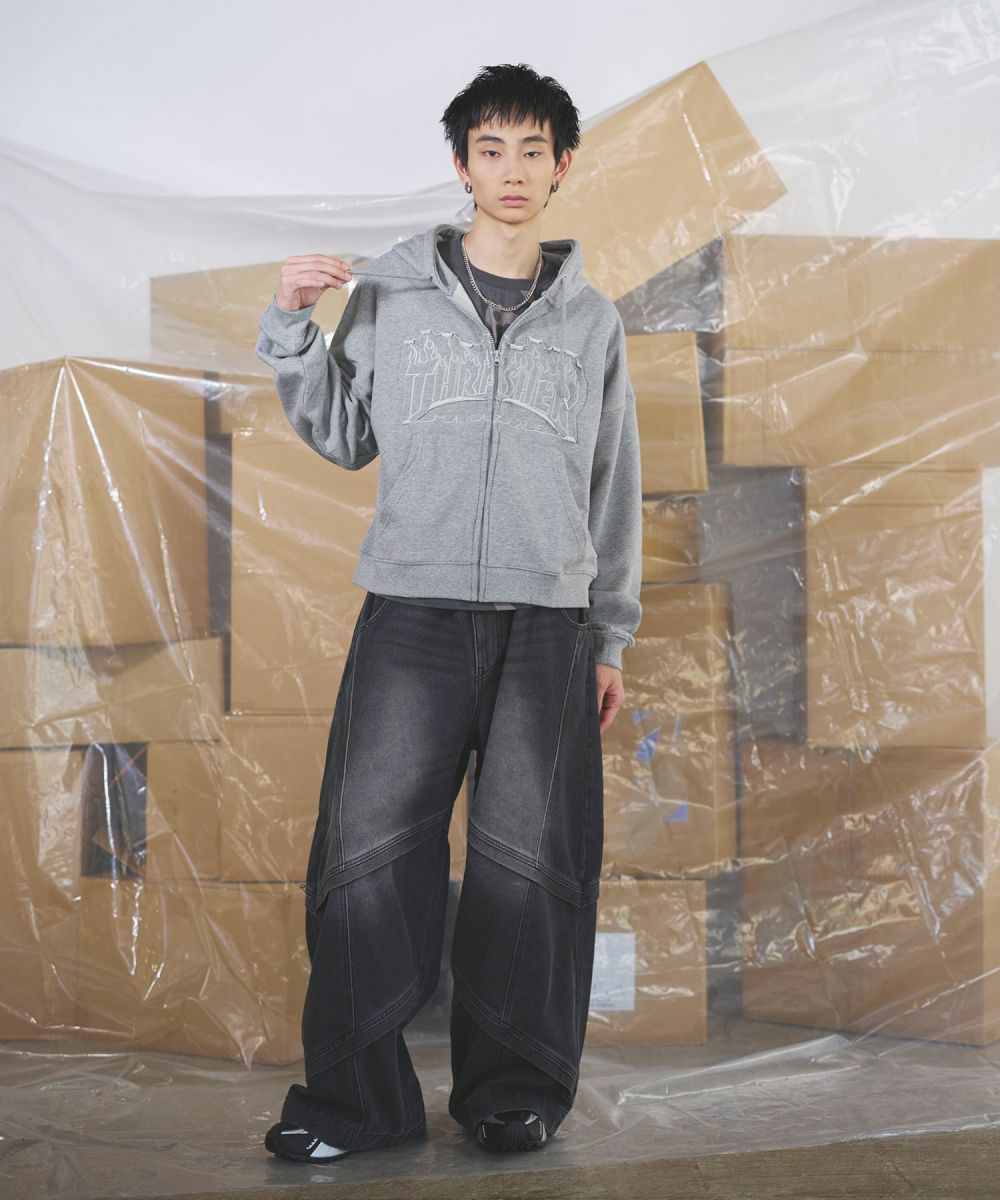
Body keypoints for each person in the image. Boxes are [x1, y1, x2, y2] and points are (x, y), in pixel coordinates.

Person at [254, 62, 642, 1163]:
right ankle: (354, 1105)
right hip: (413, 612)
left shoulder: (592, 322)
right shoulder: (390, 292)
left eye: (533, 151)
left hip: (547, 625)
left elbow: (612, 483)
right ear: (462, 165)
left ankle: (513, 1095)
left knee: (532, 863)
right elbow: (344, 434)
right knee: (367, 855)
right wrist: (292, 325)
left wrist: (608, 634)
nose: (512, 171)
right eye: (491, 149)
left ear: (563, 166)